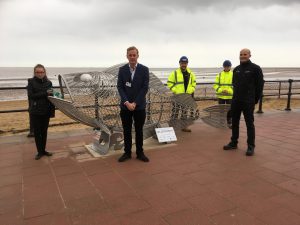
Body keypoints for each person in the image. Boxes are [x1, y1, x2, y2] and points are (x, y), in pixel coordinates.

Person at [223, 49, 264, 156]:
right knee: (235, 122)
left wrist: (255, 99)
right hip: (236, 100)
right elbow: (234, 85)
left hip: (248, 101)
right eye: (241, 54)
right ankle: (233, 143)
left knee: (249, 124)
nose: (243, 56)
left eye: (245, 54)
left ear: (250, 55)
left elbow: (260, 86)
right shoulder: (236, 69)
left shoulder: (256, 68)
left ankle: (251, 146)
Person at [117, 46, 150, 162]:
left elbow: (144, 88)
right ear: (127, 56)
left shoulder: (144, 70)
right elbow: (120, 87)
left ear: (137, 56)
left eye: (134, 55)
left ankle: (140, 152)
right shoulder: (122, 70)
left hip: (139, 106)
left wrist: (135, 103)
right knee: (126, 130)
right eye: (130, 55)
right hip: (125, 107)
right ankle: (127, 153)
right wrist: (127, 103)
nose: (132, 57)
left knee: (139, 130)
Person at [27, 64, 55, 160]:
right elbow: (31, 96)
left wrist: (52, 111)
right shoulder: (31, 83)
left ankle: (44, 150)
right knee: (37, 132)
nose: (40, 74)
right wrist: (45, 93)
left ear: (44, 72)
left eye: (41, 72)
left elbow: (51, 97)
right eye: (37, 72)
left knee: (44, 132)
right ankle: (39, 152)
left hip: (46, 111)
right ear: (35, 73)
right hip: (35, 111)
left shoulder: (49, 83)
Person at [167, 56, 196, 132]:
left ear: (187, 64)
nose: (184, 65)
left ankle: (184, 127)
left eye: (185, 63)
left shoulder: (191, 73)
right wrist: (175, 91)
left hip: (186, 96)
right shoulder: (175, 73)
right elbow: (169, 83)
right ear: (179, 63)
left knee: (185, 112)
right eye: (182, 63)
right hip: (177, 96)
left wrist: (191, 90)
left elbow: (194, 83)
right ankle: (172, 127)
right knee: (175, 112)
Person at [213, 60, 233, 128]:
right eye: (225, 66)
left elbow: (236, 85)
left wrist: (229, 91)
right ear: (223, 67)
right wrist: (221, 90)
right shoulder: (219, 75)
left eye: (228, 66)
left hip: (229, 96)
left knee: (230, 110)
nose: (226, 68)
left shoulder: (233, 74)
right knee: (221, 109)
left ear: (230, 67)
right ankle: (221, 121)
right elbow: (215, 85)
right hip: (221, 95)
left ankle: (229, 122)